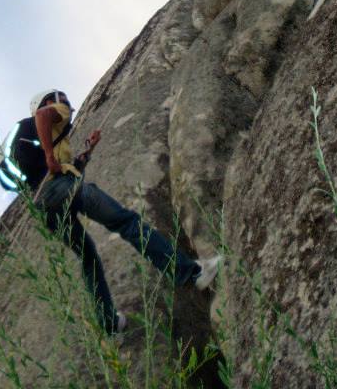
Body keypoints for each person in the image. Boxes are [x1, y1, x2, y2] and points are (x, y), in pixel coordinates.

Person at [28, 89, 221, 335]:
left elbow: (66, 171)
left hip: (44, 208)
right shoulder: (52, 114)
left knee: (87, 258)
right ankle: (192, 273)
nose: (69, 106)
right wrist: (49, 155)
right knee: (126, 222)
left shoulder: (34, 141)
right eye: (63, 98)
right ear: (48, 100)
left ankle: (109, 323)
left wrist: (88, 151)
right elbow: (44, 116)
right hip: (63, 188)